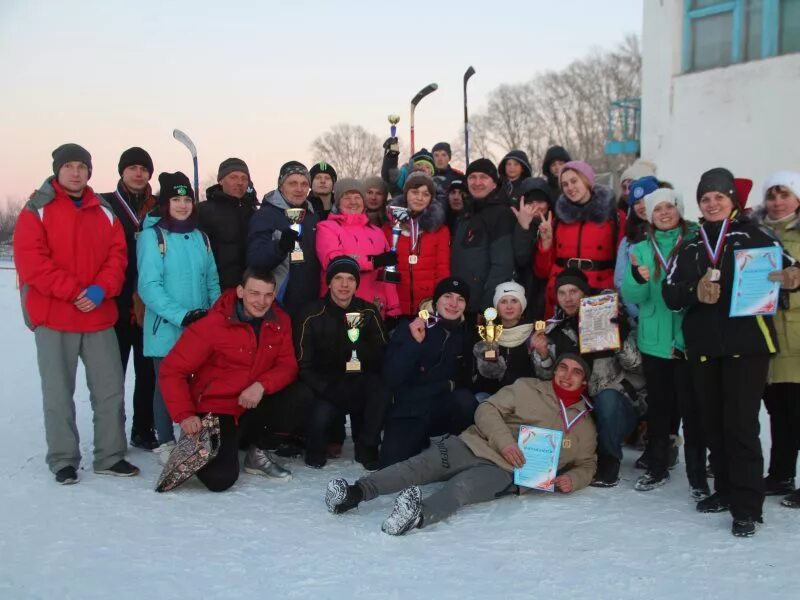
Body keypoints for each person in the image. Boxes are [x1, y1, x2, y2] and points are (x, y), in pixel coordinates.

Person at [664, 167, 800, 537]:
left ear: (732, 201)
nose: (711, 203)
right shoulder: (690, 244)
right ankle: (724, 489)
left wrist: (792, 277)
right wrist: (695, 292)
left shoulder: (755, 235)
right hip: (705, 346)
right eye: (705, 198)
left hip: (748, 344)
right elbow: (670, 293)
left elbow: (789, 268)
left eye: (718, 197)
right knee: (713, 423)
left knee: (740, 425)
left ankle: (747, 506)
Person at [324, 354, 597, 536]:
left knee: (460, 489)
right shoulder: (527, 387)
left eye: (576, 372)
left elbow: (587, 464)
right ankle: (354, 493)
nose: (567, 375)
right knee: (418, 467)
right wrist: (504, 443)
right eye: (562, 367)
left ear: (584, 381)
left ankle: (416, 516)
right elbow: (487, 410)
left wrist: (573, 478)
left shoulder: (584, 424)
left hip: (506, 473)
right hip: (473, 443)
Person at [14, 143, 139, 483]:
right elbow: (32, 261)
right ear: (58, 170)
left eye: (81, 166)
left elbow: (118, 257)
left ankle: (110, 455)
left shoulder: (104, 210)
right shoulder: (37, 210)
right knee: (58, 393)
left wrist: (101, 289)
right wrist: (74, 291)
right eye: (69, 166)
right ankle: (63, 459)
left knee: (110, 389)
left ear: (89, 171)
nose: (75, 172)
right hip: (55, 316)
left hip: (98, 316)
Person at [158, 268, 301, 491]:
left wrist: (262, 385)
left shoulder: (280, 320)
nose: (261, 301)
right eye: (254, 293)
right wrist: (185, 414)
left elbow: (287, 365)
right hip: (218, 406)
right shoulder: (212, 325)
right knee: (220, 479)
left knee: (299, 394)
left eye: (268, 295)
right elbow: (171, 370)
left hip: (252, 401)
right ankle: (200, 444)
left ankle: (256, 450)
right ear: (241, 291)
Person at [620, 189, 707, 497]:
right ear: (650, 216)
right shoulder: (642, 249)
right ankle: (657, 465)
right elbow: (634, 296)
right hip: (654, 339)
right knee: (658, 408)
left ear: (679, 210)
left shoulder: (695, 243)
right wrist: (636, 277)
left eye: (670, 207)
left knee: (692, 408)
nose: (665, 213)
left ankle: (699, 474)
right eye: (658, 210)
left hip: (687, 338)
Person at [532, 267, 645, 487]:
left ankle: (609, 461)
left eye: (574, 291)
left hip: (616, 404)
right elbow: (547, 377)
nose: (568, 298)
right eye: (562, 293)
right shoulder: (555, 328)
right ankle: (543, 460)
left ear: (584, 292)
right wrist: (543, 354)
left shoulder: (610, 316)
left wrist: (617, 340)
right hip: (579, 407)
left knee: (608, 398)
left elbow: (638, 366)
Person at [136, 172, 221, 462]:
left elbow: (212, 281)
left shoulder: (201, 238)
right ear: (165, 203)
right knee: (166, 384)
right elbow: (149, 286)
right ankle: (165, 439)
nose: (183, 205)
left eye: (187, 199)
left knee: (197, 383)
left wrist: (215, 315)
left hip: (200, 326)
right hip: (167, 326)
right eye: (176, 199)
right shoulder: (153, 236)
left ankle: (192, 433)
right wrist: (181, 315)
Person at [294, 256, 391, 470]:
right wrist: (327, 388)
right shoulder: (311, 313)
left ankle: (367, 444)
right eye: (338, 278)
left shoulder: (368, 311)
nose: (344, 285)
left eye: (350, 279)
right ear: (328, 282)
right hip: (326, 384)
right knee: (316, 452)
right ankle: (318, 443)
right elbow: (303, 364)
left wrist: (357, 349)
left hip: (359, 379)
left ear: (357, 283)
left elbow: (382, 351)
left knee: (380, 389)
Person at [379, 277, 477, 467]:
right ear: (436, 300)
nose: (453, 304)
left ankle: (453, 443)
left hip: (441, 409)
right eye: (447, 296)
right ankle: (418, 438)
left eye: (460, 299)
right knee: (391, 465)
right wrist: (414, 344)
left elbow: (466, 381)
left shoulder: (467, 334)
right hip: (410, 407)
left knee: (465, 401)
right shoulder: (412, 326)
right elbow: (392, 377)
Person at [102, 147, 159, 450]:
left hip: (148, 303)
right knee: (113, 373)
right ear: (122, 172)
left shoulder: (158, 206)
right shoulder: (106, 204)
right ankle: (111, 432)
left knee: (147, 370)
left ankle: (143, 427)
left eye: (143, 169)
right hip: (114, 300)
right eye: (132, 168)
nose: (138, 173)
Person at [750, 171, 800, 508]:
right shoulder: (756, 233)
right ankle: (781, 474)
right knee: (777, 411)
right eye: (772, 195)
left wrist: (794, 287)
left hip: (796, 336)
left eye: (784, 195)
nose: (777, 202)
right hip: (765, 336)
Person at [535, 160, 626, 317]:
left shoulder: (615, 217)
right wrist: (546, 242)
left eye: (574, 181)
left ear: (587, 180)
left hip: (599, 294)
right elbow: (542, 271)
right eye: (564, 184)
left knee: (597, 341)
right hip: (563, 295)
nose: (570, 187)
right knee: (559, 341)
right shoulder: (558, 221)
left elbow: (623, 262)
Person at [316, 178, 400, 319]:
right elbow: (334, 260)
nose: (353, 202)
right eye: (347, 198)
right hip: (342, 306)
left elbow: (387, 273)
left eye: (357, 197)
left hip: (375, 307)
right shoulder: (327, 227)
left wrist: (393, 307)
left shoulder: (377, 232)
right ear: (338, 202)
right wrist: (372, 261)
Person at [247, 161, 320, 320]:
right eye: (293, 183)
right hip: (280, 302)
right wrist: (280, 247)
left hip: (311, 302)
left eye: (304, 184)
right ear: (281, 185)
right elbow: (256, 259)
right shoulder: (265, 215)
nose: (299, 189)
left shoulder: (312, 216)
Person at [450, 159, 516, 315]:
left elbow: (502, 266)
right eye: (472, 177)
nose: (477, 182)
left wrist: (486, 306)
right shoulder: (465, 213)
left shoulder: (501, 214)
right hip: (460, 302)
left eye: (483, 177)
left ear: (494, 183)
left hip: (483, 306)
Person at [384, 172, 450, 317]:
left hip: (428, 307)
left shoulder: (439, 230)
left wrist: (438, 303)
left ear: (431, 198)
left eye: (426, 194)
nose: (420, 198)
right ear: (406, 194)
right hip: (396, 306)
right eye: (415, 192)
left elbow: (442, 269)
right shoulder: (390, 227)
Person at [199, 158, 258, 290]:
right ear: (220, 180)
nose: (240, 182)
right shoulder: (203, 211)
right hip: (217, 287)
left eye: (244, 178)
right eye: (233, 177)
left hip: (248, 288)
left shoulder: (253, 212)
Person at [472, 282, 535, 398]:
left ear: (522, 306)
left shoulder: (532, 334)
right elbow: (483, 378)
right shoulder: (487, 333)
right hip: (492, 395)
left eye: (514, 301)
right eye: (503, 301)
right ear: (497, 307)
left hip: (523, 396)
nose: (509, 307)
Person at [614, 176, 660, 321]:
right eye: (637, 202)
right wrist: (636, 313)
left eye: (647, 200)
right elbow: (620, 281)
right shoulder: (628, 240)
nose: (642, 206)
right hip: (640, 315)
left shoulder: (674, 234)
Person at [511, 177, 555, 320]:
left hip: (548, 294)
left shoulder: (557, 224)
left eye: (540, 201)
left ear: (548, 204)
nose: (536, 206)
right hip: (522, 293)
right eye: (530, 202)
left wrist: (547, 240)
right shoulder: (514, 223)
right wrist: (523, 227)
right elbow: (521, 258)